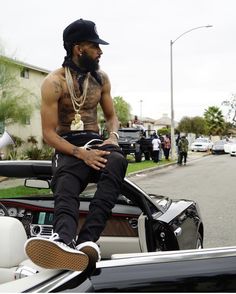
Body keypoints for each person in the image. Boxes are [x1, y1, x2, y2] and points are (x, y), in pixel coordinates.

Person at [25, 18, 128, 272]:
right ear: (78, 48)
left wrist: (113, 136)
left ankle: (86, 242)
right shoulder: (54, 82)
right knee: (66, 182)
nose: (100, 51)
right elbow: (48, 134)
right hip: (67, 144)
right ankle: (62, 240)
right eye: (95, 46)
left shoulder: (101, 79)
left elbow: (112, 117)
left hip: (95, 139)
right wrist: (79, 154)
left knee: (116, 160)